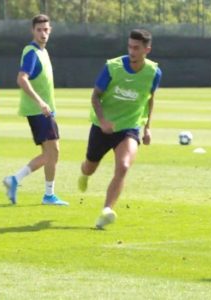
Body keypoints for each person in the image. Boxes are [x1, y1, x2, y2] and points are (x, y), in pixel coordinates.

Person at [78, 29, 162, 229]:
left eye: (136, 48)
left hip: (128, 128)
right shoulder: (112, 67)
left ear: (146, 50)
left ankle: (106, 210)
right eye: (130, 47)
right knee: (90, 167)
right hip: (102, 127)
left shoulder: (154, 72)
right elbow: (95, 96)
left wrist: (147, 127)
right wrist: (103, 120)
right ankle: (84, 173)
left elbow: (150, 99)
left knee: (123, 166)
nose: (132, 51)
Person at [3, 14, 68, 206]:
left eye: (46, 29)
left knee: (50, 153)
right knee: (53, 151)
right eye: (39, 30)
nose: (43, 33)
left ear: (50, 30)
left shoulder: (42, 51)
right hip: (39, 110)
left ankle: (19, 182)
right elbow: (21, 78)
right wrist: (41, 102)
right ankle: (36, 189)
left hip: (44, 110)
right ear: (33, 31)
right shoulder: (31, 51)